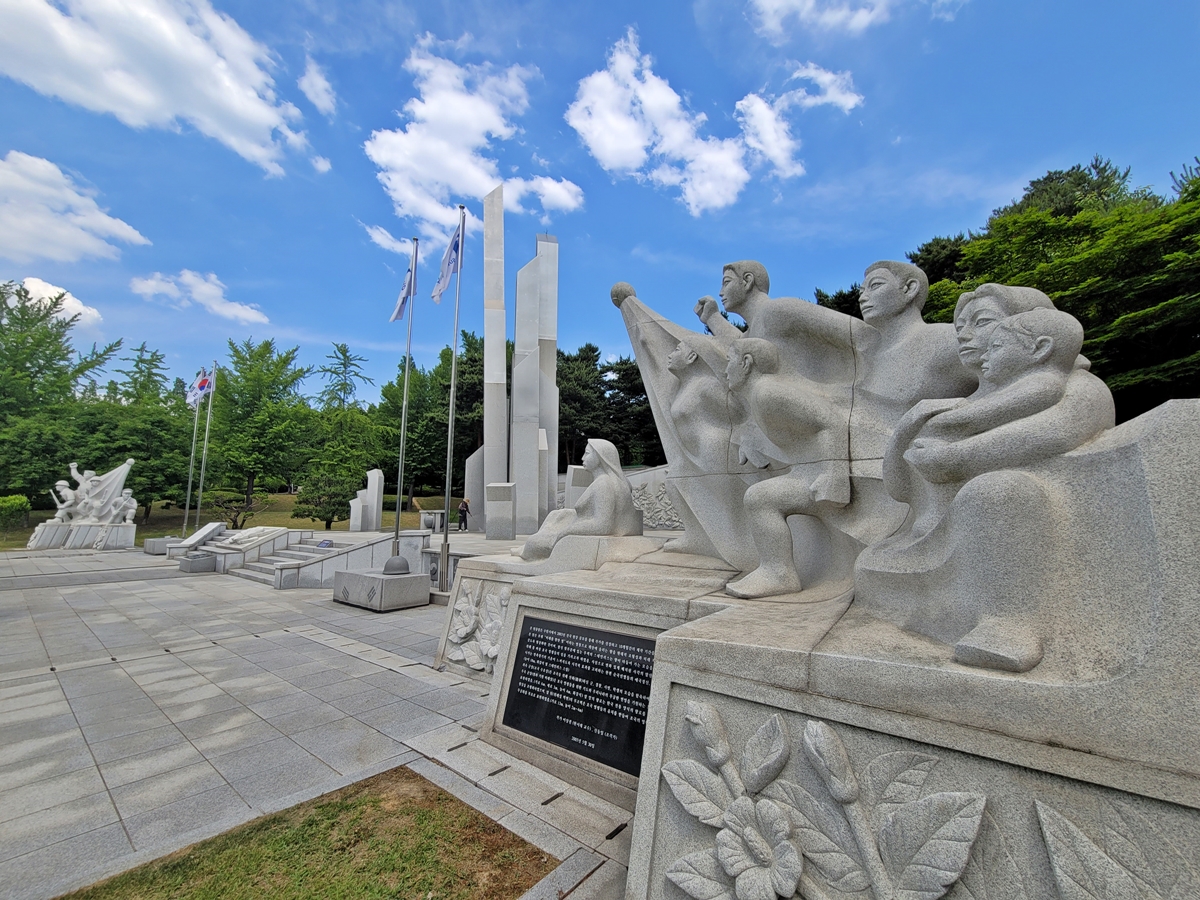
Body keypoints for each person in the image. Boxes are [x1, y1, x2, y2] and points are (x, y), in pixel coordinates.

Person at [516, 439, 642, 560]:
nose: (582, 458)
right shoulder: (611, 481)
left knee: (533, 542)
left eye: (587, 453)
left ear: (600, 458)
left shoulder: (603, 484)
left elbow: (602, 525)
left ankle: (526, 550)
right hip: (578, 522)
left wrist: (566, 531)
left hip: (578, 528)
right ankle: (527, 547)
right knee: (556, 515)